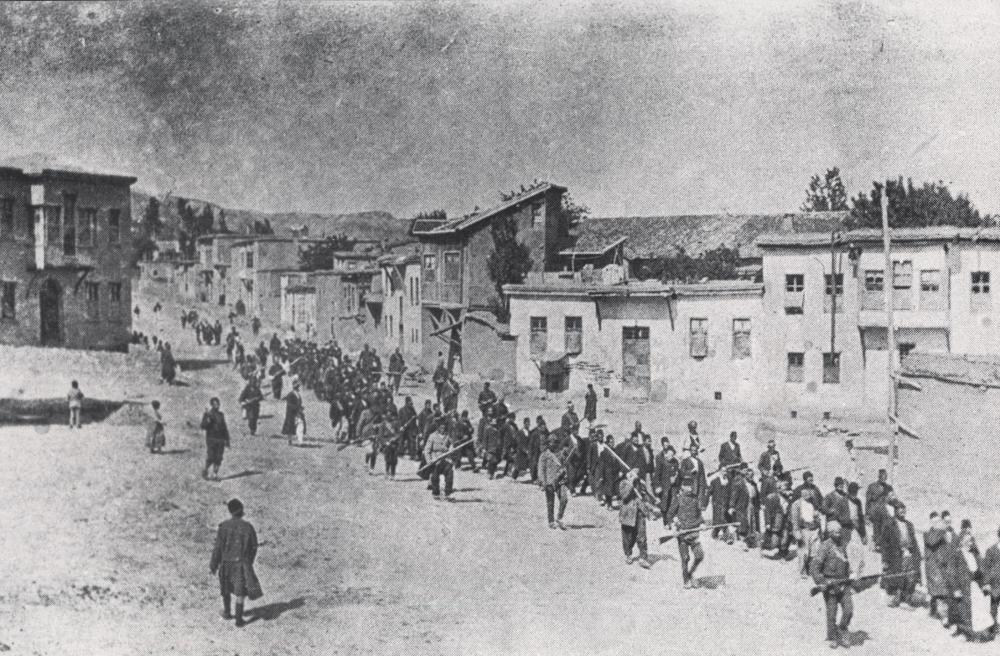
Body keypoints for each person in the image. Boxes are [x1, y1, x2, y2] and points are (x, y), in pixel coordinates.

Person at [209, 498, 262, 627]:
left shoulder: (223, 527)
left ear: (230, 512)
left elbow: (218, 548)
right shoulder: (248, 527)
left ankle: (227, 612)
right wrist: (249, 562)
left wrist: (213, 565)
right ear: (242, 510)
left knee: (226, 589)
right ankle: (239, 620)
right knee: (240, 592)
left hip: (226, 563)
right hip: (241, 565)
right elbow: (254, 547)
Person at [810, 520, 854, 649]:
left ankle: (842, 629)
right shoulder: (825, 547)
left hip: (844, 583)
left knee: (849, 610)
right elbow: (815, 568)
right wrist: (822, 582)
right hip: (830, 585)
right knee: (831, 613)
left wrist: (852, 573)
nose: (838, 534)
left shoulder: (844, 545)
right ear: (830, 533)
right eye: (835, 532)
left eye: (840, 531)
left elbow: (851, 561)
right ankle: (833, 637)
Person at [878, 502, 921, 607]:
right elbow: (885, 544)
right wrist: (884, 560)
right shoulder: (889, 524)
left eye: (903, 509)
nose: (902, 511)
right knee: (896, 576)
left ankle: (907, 596)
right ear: (895, 511)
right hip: (896, 555)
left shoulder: (909, 525)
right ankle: (895, 596)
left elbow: (914, 541)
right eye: (900, 509)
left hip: (909, 554)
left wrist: (918, 554)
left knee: (910, 576)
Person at [619, 469, 652, 569]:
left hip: (639, 512)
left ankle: (643, 557)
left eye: (637, 474)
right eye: (633, 474)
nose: (635, 476)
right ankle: (628, 554)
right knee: (628, 536)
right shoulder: (624, 483)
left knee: (642, 535)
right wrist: (630, 483)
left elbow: (644, 496)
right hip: (628, 513)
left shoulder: (640, 483)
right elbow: (624, 496)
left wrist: (648, 505)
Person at [924, 512, 950, 621]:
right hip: (933, 567)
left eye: (938, 521)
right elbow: (932, 541)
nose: (937, 523)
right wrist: (941, 530)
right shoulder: (928, 533)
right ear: (931, 522)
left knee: (938, 590)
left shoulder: (942, 532)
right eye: (935, 521)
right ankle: (944, 617)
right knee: (941, 592)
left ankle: (933, 611)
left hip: (942, 565)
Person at [791, 486, 821, 579]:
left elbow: (817, 515)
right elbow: (794, 520)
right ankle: (802, 571)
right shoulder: (796, 504)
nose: (809, 497)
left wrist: (818, 527)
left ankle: (811, 570)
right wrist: (796, 532)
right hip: (803, 529)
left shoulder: (813, 502)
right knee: (803, 552)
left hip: (814, 528)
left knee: (814, 552)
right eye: (807, 495)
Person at [538, 435, 568, 529]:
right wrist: (543, 482)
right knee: (550, 502)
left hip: (559, 480)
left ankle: (559, 517)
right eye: (551, 442)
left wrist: (564, 472)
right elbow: (541, 469)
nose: (553, 444)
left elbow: (565, 465)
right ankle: (551, 521)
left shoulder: (561, 454)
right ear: (548, 444)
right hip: (549, 482)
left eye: (555, 442)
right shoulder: (544, 455)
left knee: (564, 499)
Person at [423, 420, 454, 501]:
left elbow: (451, 445)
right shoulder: (432, 436)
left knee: (450, 474)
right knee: (435, 476)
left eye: (444, 426)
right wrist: (429, 460)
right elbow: (427, 450)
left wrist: (451, 448)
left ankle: (448, 493)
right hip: (435, 460)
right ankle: (436, 493)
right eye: (441, 427)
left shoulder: (448, 436)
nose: (443, 428)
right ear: (438, 427)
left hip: (446, 459)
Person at [201, 397, 231, 481]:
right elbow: (203, 426)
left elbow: (224, 428)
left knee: (219, 457)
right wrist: (208, 420)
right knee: (211, 456)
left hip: (220, 439)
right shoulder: (208, 414)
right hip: (211, 438)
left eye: (218, 403)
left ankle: (214, 475)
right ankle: (205, 470)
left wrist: (227, 440)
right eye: (215, 404)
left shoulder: (221, 415)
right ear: (212, 405)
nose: (217, 405)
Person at [865, 469, 893, 550]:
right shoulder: (872, 486)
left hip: (885, 509)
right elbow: (868, 501)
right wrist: (866, 514)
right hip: (874, 510)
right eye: (882, 477)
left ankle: (885, 542)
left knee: (889, 520)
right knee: (880, 517)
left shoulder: (889, 488)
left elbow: (893, 499)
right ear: (879, 476)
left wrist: (893, 501)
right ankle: (878, 542)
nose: (884, 479)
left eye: (885, 477)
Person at [654, 442, 680, 525]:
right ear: (666, 454)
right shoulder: (661, 462)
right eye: (669, 455)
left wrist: (676, 481)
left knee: (674, 502)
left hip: (673, 486)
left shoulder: (675, 461)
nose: (671, 457)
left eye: (672, 455)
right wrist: (657, 486)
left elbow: (677, 473)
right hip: (664, 486)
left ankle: (671, 519)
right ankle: (665, 521)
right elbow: (657, 475)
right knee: (664, 503)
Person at [982, 525, 1000, 632]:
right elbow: (986, 568)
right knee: (994, 607)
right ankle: (993, 627)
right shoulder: (991, 550)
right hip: (995, 584)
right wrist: (987, 583)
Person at [282, 379, 305, 446]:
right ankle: (289, 440)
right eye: (298, 386)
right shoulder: (290, 395)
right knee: (290, 428)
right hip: (291, 414)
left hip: (298, 413)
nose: (299, 387)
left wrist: (300, 408)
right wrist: (297, 408)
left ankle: (300, 442)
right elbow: (290, 405)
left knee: (300, 426)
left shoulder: (298, 394)